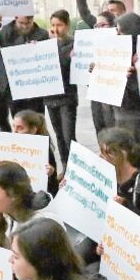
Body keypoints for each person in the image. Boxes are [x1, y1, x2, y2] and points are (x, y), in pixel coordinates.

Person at [0, 14, 50, 119]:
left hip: (35, 86)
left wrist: (39, 48)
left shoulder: (42, 34)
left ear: (32, 19)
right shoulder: (6, 32)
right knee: (18, 118)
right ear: (15, 19)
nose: (24, 26)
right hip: (14, 86)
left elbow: (49, 57)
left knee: (37, 119)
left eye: (28, 23)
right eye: (21, 23)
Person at [113, 12, 140, 169]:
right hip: (120, 112)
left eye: (120, 31)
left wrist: (131, 77)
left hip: (137, 115)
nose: (117, 35)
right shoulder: (119, 53)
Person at [98, 127, 140, 220]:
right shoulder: (104, 175)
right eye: (101, 151)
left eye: (108, 152)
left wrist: (125, 206)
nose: (100, 156)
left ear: (124, 153)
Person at [44, 9, 79, 167]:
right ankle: (65, 164)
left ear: (67, 25)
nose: (56, 29)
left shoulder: (74, 43)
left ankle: (75, 166)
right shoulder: (47, 44)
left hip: (67, 97)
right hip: (51, 97)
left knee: (68, 136)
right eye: (53, 25)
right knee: (58, 135)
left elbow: (66, 68)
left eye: (59, 25)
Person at [12, 110, 59, 195]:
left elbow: (53, 188)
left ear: (33, 130)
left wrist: (51, 174)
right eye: (14, 126)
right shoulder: (9, 147)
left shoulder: (44, 151)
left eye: (20, 128)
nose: (14, 131)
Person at [89, 10, 120, 136]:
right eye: (97, 26)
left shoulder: (121, 44)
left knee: (112, 133)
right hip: (97, 94)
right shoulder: (94, 44)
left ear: (113, 26)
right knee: (100, 131)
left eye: (103, 25)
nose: (99, 29)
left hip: (113, 97)